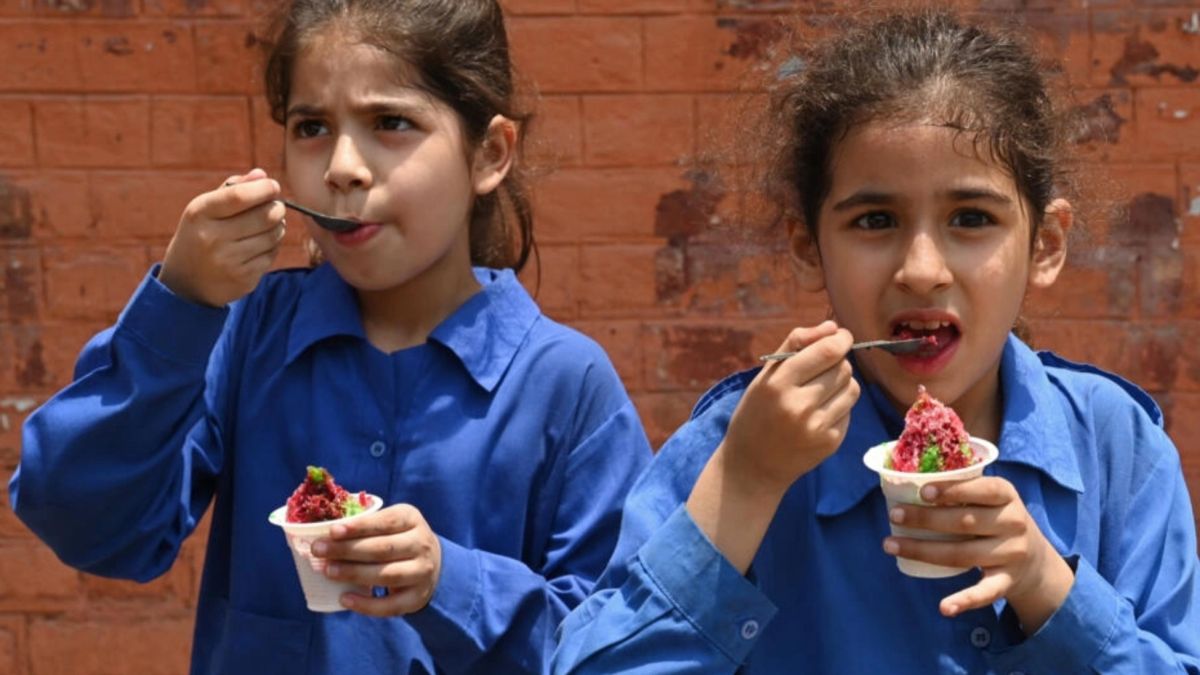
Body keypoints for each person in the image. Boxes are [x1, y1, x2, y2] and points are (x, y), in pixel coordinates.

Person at [9, 0, 652, 672]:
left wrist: (453, 582)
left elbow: (630, 643)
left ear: (489, 154)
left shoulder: (565, 385)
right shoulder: (248, 332)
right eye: (311, 126)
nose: (343, 166)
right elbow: (88, 523)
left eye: (390, 122)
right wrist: (182, 303)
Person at [552, 7, 1200, 674]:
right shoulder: (737, 443)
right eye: (875, 219)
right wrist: (745, 486)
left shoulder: (1120, 450)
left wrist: (1048, 586)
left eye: (972, 218)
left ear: (1046, 243)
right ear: (809, 245)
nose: (921, 268)